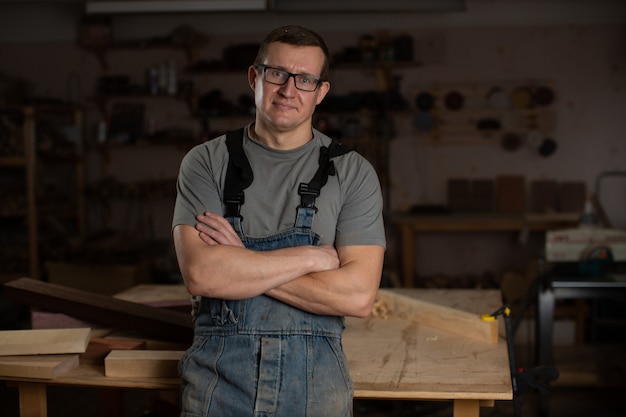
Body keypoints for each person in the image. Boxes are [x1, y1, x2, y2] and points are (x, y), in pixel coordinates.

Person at [172, 25, 386, 417]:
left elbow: (357, 297)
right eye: (277, 74)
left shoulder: (352, 172)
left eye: (305, 79)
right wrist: (311, 258)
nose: (289, 90)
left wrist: (239, 258)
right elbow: (203, 275)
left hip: (316, 389)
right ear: (255, 77)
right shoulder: (205, 162)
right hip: (218, 385)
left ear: (321, 92)